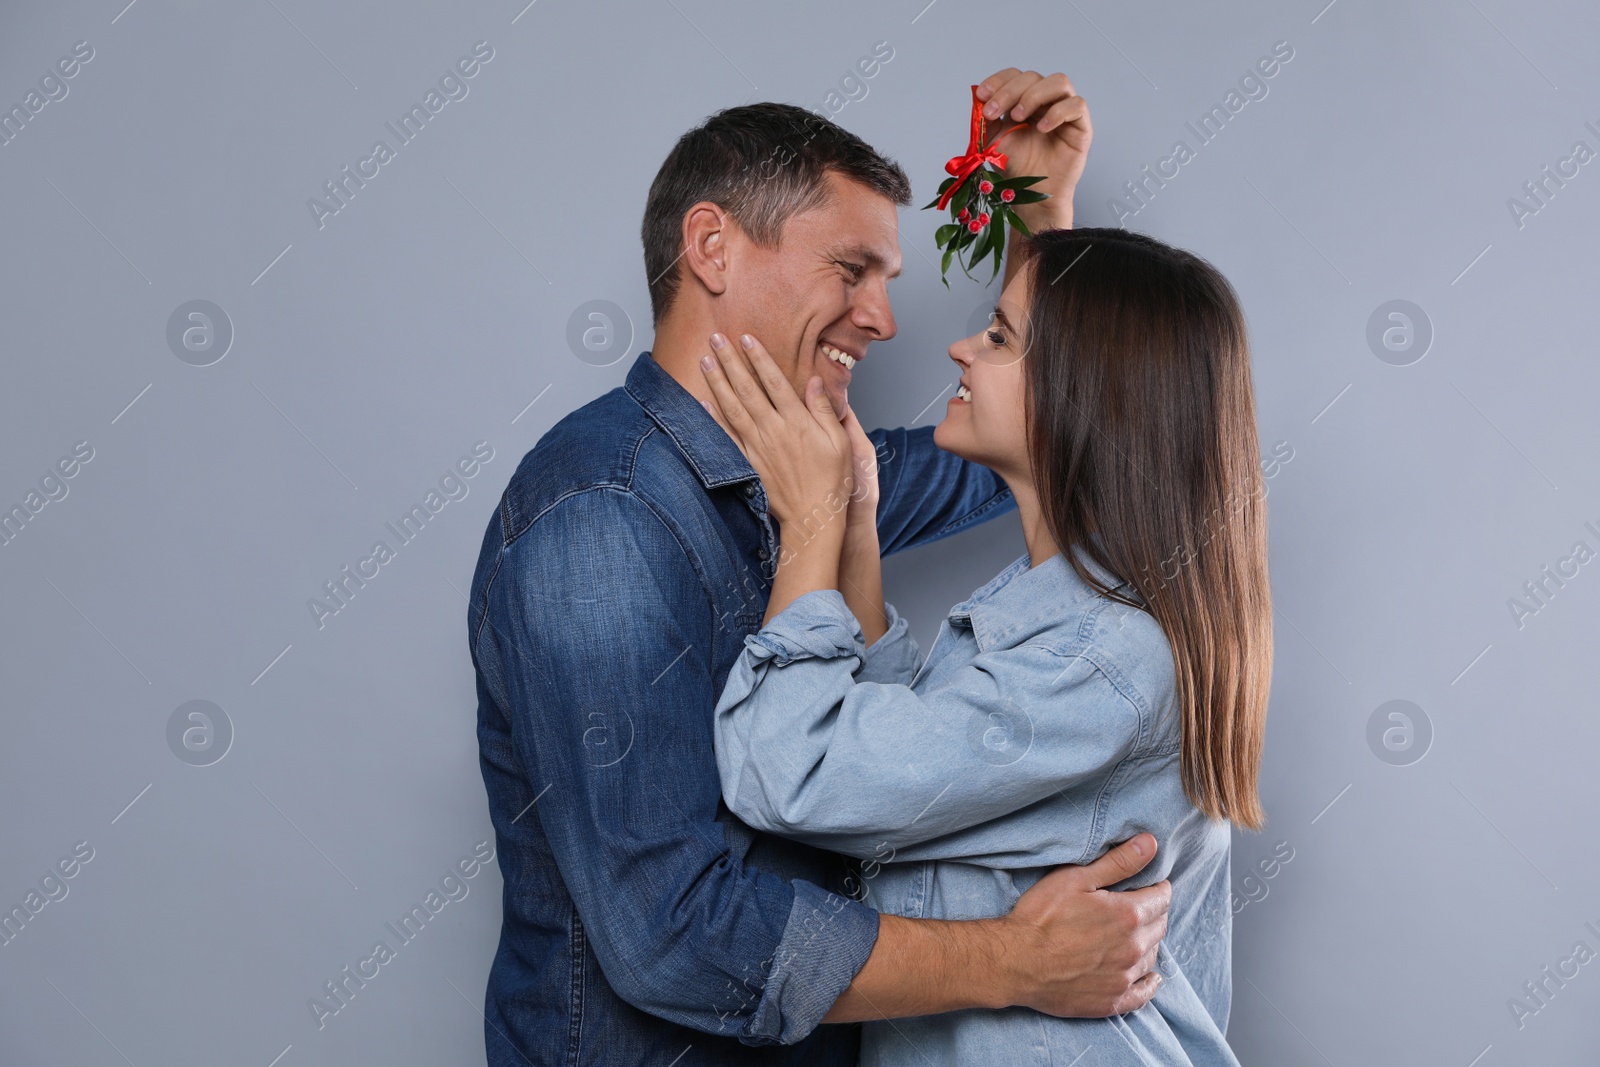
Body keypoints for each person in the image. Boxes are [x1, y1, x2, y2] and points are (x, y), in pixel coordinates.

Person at [467, 71, 1173, 1065]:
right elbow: (666, 936)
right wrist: (1016, 960)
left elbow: (1055, 437)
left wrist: (1036, 215)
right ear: (710, 247)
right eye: (852, 270)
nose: (884, 319)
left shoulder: (822, 474)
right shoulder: (602, 522)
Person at [701, 225, 1273, 1065]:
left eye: (1000, 336)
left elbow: (791, 772)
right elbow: (907, 760)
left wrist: (808, 527)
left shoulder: (1101, 662)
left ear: (1088, 395)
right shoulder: (1063, 619)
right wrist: (857, 522)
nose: (960, 348)